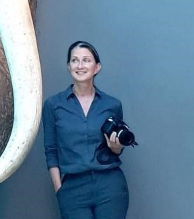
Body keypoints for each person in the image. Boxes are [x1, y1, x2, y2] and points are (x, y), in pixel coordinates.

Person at [42, 41, 129, 219]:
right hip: (72, 188)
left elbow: (116, 150)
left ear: (97, 67)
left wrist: (116, 147)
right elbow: (51, 150)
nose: (80, 65)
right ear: (68, 66)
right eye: (74, 60)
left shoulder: (112, 104)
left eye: (86, 60)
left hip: (109, 185)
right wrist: (60, 189)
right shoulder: (53, 105)